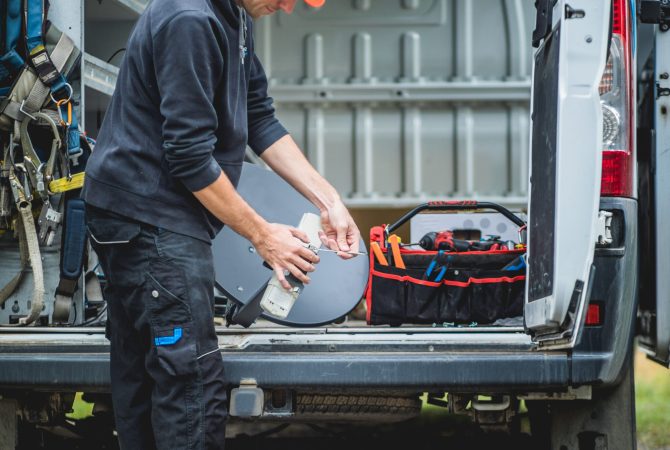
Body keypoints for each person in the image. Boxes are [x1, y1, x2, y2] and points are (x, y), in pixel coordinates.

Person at [82, 0, 360, 448]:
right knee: (189, 383)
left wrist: (329, 200)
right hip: (147, 218)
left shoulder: (233, 16)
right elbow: (189, 157)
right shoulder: (191, 20)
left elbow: (259, 117)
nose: (288, 7)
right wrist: (263, 235)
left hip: (149, 212)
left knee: (149, 378)